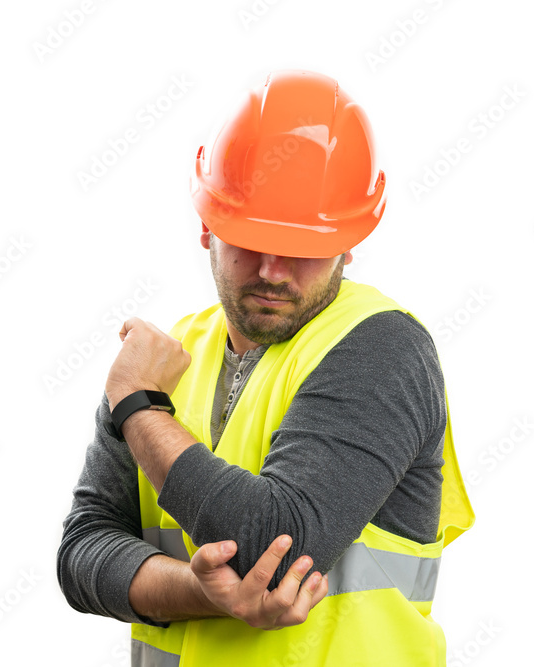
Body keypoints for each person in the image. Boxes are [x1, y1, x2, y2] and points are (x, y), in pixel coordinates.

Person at [57, 70, 475, 666]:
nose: (273, 272)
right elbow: (81, 550)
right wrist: (198, 592)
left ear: (349, 241)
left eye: (303, 247)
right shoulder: (170, 354)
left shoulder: (382, 348)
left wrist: (140, 408)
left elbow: (276, 549)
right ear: (208, 225)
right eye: (251, 239)